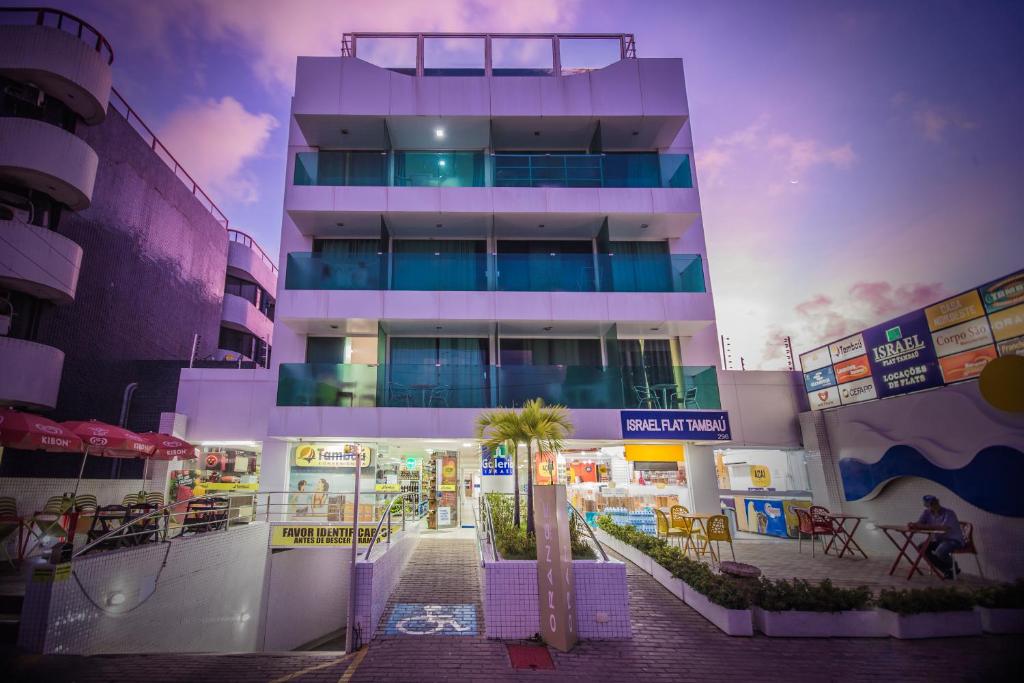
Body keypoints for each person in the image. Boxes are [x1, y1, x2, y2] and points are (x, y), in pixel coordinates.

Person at [909, 494, 964, 579]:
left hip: (953, 540)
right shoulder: (926, 512)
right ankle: (947, 570)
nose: (933, 506)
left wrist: (923, 526)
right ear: (926, 505)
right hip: (940, 540)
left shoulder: (949, 513)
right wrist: (913, 524)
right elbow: (920, 523)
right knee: (921, 548)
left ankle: (954, 567)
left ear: (938, 502)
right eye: (930, 504)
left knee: (940, 551)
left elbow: (944, 528)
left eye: (934, 503)